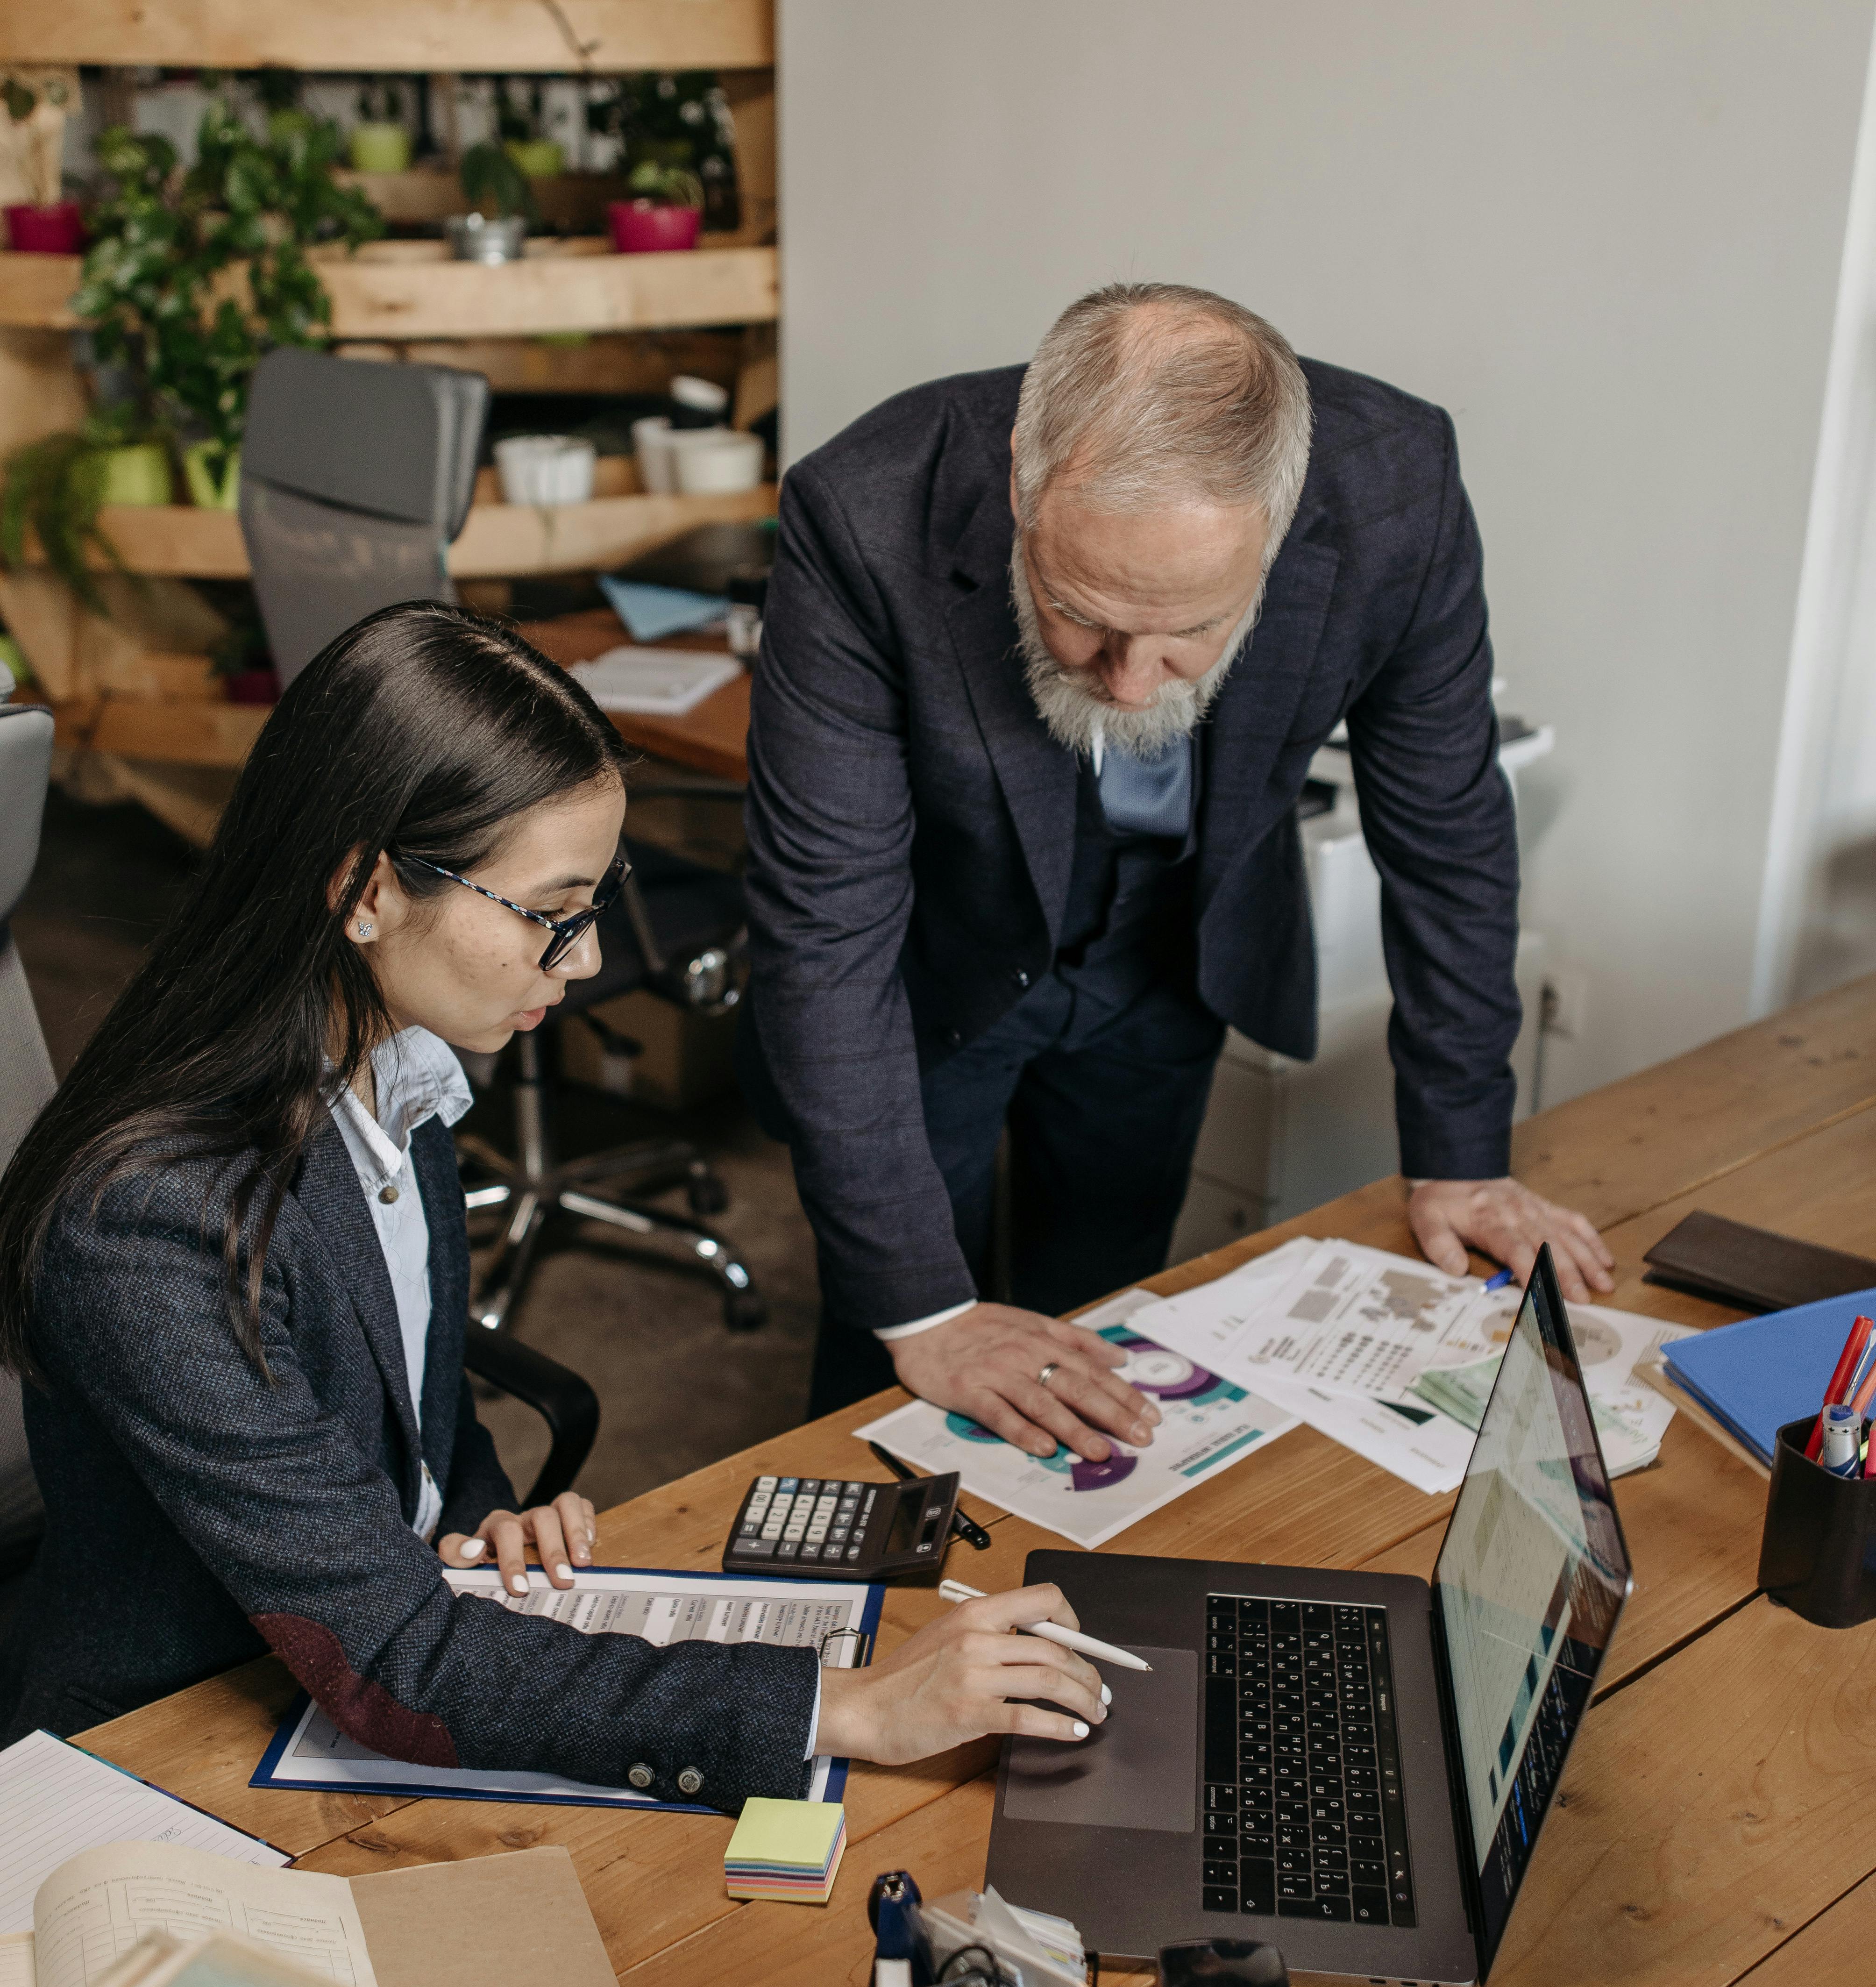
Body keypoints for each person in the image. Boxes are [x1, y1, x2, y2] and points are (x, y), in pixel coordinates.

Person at [0, 604, 1103, 1795]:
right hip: (174, 1740)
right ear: (364, 892)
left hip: (379, 1630)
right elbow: (395, 1661)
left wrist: (473, 1511)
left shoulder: (393, 1059)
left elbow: (414, 1401)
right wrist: (849, 1707)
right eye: (551, 911)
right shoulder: (151, 1222)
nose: (583, 960)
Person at [742, 281, 1613, 1464]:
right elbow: (823, 927)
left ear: (1280, 523)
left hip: (1173, 942)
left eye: (1190, 630)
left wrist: (1459, 1156)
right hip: (926, 956)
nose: (1133, 684)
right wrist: (924, 1310)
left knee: (1108, 1322)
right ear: (1020, 485)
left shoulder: (1395, 490)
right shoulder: (863, 510)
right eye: (1081, 614)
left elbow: (1447, 827)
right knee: (899, 1346)